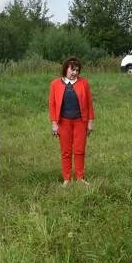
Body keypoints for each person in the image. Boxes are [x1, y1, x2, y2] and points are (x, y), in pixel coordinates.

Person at [49, 57, 95, 185]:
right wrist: (54, 123)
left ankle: (80, 178)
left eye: (77, 70)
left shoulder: (84, 83)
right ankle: (67, 179)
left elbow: (89, 103)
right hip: (63, 122)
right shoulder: (55, 84)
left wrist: (90, 121)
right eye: (72, 69)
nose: (74, 73)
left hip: (80, 121)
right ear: (65, 69)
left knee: (80, 150)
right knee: (66, 151)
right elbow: (52, 104)